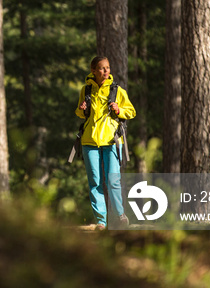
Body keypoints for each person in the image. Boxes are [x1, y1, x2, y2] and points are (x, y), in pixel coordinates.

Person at [75, 56, 136, 230]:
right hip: (89, 141)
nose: (106, 71)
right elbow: (80, 114)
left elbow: (131, 112)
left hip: (112, 141)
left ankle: (120, 215)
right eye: (101, 68)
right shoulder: (86, 90)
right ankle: (101, 222)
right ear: (93, 70)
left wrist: (119, 109)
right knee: (95, 182)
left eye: (107, 68)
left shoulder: (117, 90)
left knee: (113, 180)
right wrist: (81, 110)